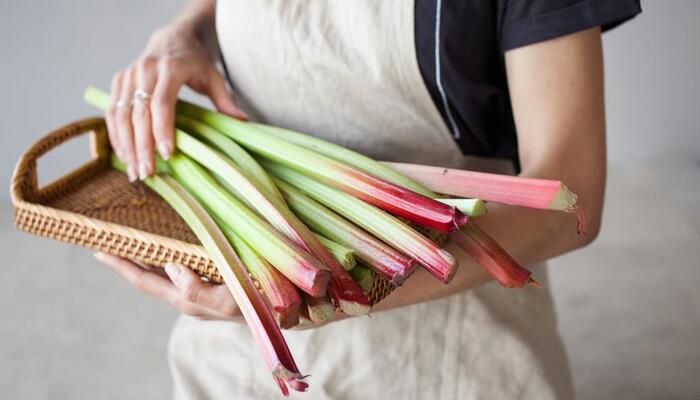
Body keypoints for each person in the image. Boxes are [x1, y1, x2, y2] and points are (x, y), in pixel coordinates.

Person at [94, 1, 641, 398]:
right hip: (239, 352)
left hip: (458, 356)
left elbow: (572, 199)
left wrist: (336, 295)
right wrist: (187, 29)